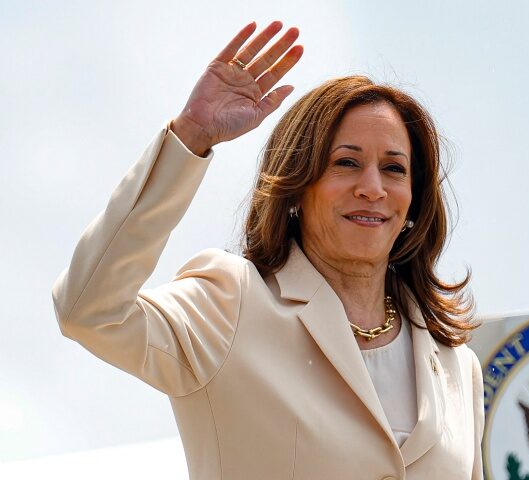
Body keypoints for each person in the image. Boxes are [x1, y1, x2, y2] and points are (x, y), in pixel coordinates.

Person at [53, 20, 484, 480]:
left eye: (394, 169)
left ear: (414, 200)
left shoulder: (458, 364)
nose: (372, 188)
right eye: (347, 163)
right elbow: (89, 311)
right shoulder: (231, 304)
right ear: (297, 188)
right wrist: (191, 137)